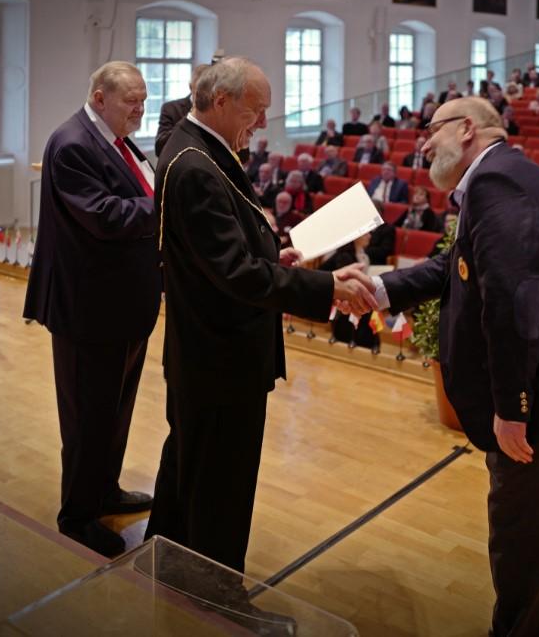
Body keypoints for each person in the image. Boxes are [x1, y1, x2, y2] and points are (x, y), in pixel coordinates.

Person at [373, 96, 539, 635]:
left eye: (432, 129)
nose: (422, 142)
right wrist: (381, 288)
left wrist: (512, 406)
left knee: (527, 546)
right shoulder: (501, 176)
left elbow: (517, 299)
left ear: (467, 128)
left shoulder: (498, 183)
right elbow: (459, 265)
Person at [145, 57, 377, 573]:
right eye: (257, 109)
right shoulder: (194, 165)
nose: (263, 122)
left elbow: (227, 257)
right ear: (222, 101)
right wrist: (327, 289)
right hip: (220, 358)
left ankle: (168, 568)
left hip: (207, 355)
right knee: (220, 492)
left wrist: (276, 257)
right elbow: (235, 274)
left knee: (189, 472)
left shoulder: (199, 148)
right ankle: (214, 597)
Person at [23, 61, 161, 557]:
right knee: (87, 416)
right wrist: (170, 205)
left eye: (144, 100)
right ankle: (77, 515)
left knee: (113, 410)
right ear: (100, 98)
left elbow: (138, 192)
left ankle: (104, 490)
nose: (140, 109)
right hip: (89, 309)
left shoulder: (116, 140)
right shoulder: (74, 143)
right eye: (132, 100)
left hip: (122, 306)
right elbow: (105, 216)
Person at [155, 63, 211, 156]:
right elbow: (159, 149)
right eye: (201, 90)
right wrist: (191, 117)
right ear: (190, 86)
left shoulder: (219, 112)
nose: (206, 95)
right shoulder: (171, 108)